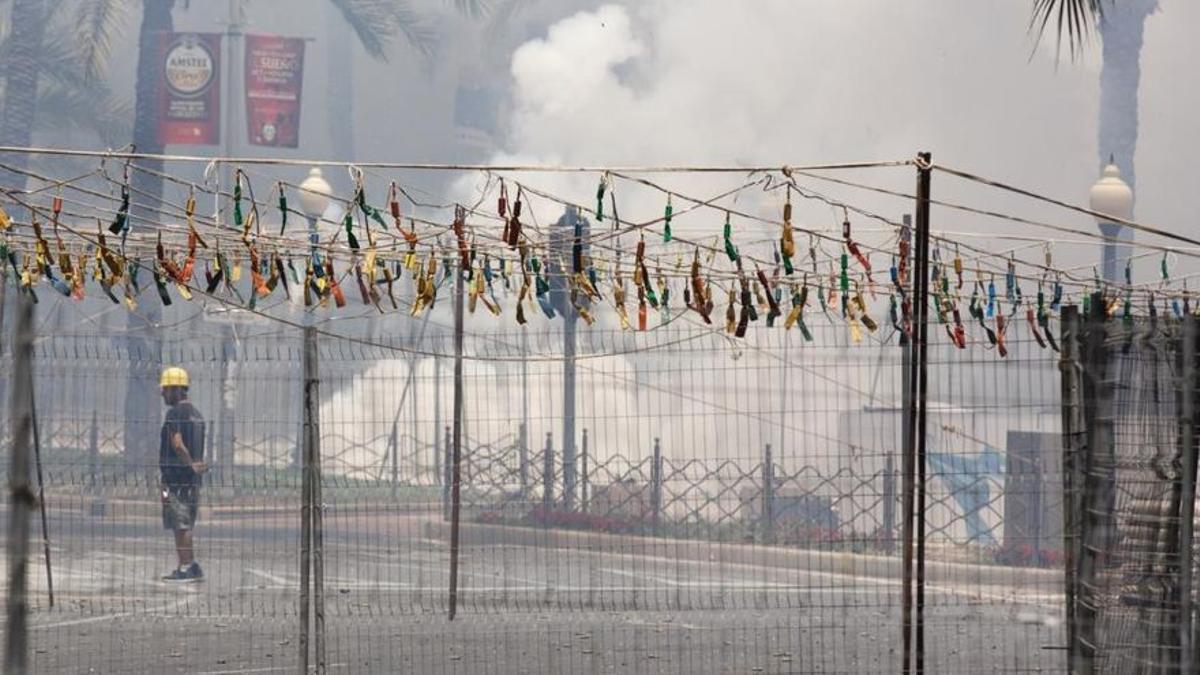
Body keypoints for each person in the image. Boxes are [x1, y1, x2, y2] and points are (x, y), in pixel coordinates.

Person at [159, 366, 207, 583]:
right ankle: (189, 565)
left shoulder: (175, 413)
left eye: (167, 389)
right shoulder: (198, 415)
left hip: (176, 479)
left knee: (180, 523)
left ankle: (187, 566)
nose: (163, 394)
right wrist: (195, 466)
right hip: (192, 481)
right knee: (186, 521)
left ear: (178, 389)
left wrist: (188, 464)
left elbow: (177, 444)